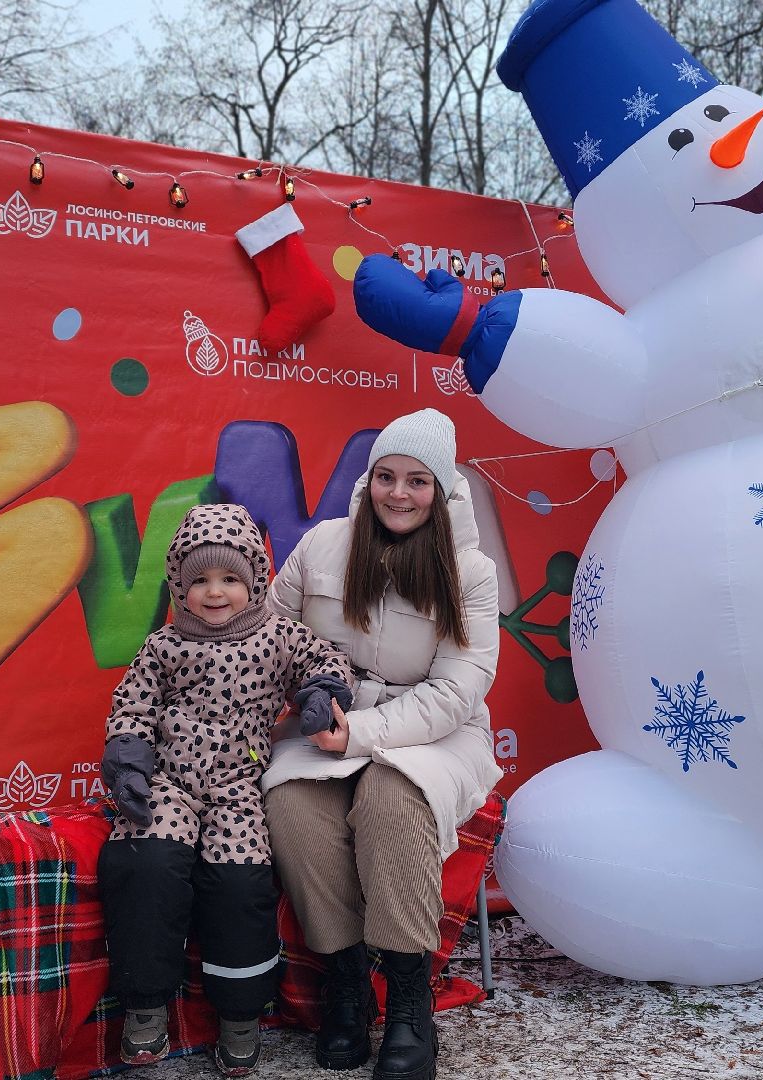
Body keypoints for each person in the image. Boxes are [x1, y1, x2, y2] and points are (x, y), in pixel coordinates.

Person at [262, 409, 502, 1080]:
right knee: (291, 806)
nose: (399, 494)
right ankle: (344, 982)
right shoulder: (324, 545)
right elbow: (270, 640)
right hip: (328, 718)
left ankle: (406, 996)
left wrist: (359, 736)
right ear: (369, 482)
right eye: (387, 477)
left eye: (417, 481)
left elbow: (459, 690)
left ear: (443, 490)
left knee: (393, 797)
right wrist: (298, 702)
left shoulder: (471, 572)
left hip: (434, 731)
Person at [98, 503, 354, 1077]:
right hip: (168, 781)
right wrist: (131, 762)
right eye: (200, 581)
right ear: (179, 586)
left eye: (230, 579)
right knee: (145, 862)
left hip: (238, 785)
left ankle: (239, 1015)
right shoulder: (163, 646)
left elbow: (325, 660)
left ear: (256, 580)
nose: (215, 593)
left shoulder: (278, 638)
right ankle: (145, 1006)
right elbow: (133, 705)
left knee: (240, 882)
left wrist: (321, 694)